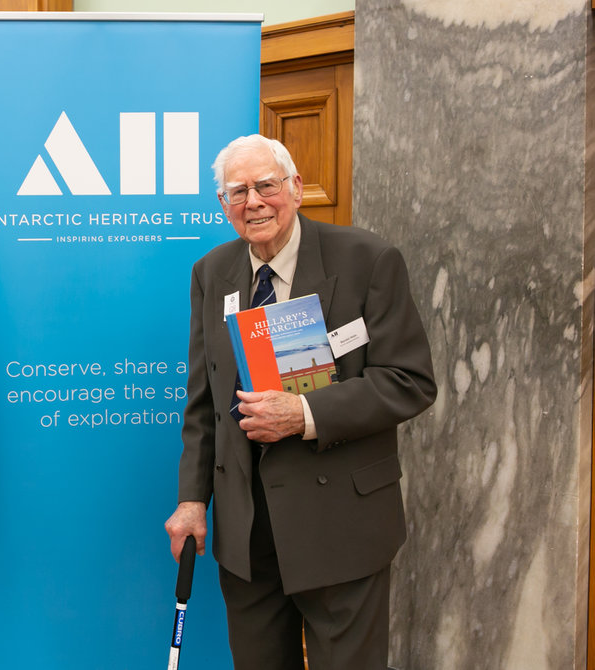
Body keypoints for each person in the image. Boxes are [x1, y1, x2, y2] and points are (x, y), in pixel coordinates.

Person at [164, 135, 436, 670]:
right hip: (248, 535)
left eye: (266, 185)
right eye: (237, 192)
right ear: (223, 205)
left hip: (341, 524)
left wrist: (305, 414)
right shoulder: (210, 272)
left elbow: (409, 380)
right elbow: (204, 404)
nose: (254, 202)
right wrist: (193, 500)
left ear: (295, 188)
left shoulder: (368, 259)